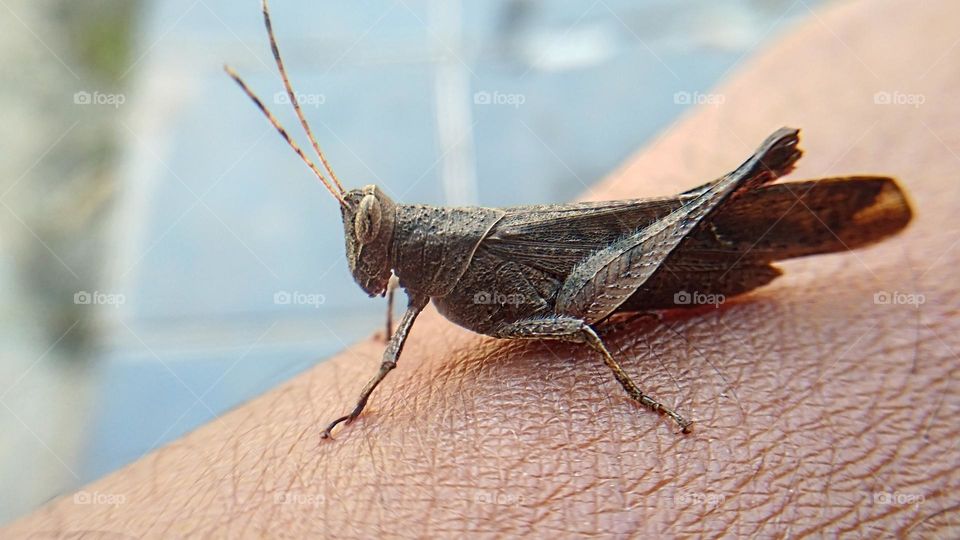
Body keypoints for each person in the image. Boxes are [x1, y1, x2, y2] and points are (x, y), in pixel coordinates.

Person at [7, 0, 956, 535]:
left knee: (579, 320)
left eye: (369, 230)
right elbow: (395, 327)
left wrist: (371, 392)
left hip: (614, 269)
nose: (366, 254)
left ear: (400, 235)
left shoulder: (448, 256)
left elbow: (558, 317)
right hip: (602, 274)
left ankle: (748, 187)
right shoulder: (419, 272)